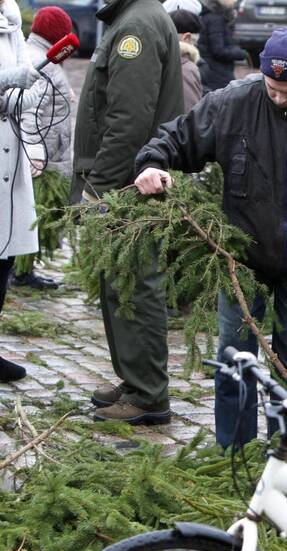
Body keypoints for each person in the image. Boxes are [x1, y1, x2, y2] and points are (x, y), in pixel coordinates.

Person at [133, 28, 287, 448]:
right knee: (235, 360)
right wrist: (153, 162)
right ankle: (233, 450)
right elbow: (178, 137)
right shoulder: (234, 101)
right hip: (242, 260)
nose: (279, 97)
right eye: (272, 88)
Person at [72, 0, 184, 423]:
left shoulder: (137, 24)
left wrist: (99, 189)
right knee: (121, 283)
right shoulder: (135, 16)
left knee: (134, 284)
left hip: (127, 184)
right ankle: (136, 380)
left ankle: (148, 395)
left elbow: (129, 119)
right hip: (129, 179)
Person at [10, 5, 75, 291]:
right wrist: (34, 152)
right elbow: (30, 111)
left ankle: (23, 269)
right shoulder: (42, 62)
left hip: (48, 149)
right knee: (35, 216)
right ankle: (21, 271)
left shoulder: (40, 54)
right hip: (44, 154)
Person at [0, 0, 42, 382]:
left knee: (4, 257)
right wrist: (9, 79)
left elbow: (24, 94)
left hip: (9, 156)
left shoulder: (11, 19)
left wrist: (24, 88)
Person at [196, 0, 244, 92]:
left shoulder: (212, 16)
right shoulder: (216, 19)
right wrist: (241, 53)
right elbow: (218, 50)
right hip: (217, 72)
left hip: (213, 70)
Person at [169, 9, 203, 112]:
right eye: (195, 42)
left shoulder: (156, 58)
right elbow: (190, 115)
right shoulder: (186, 68)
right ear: (187, 37)